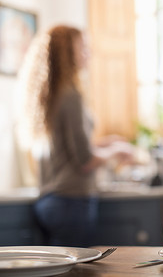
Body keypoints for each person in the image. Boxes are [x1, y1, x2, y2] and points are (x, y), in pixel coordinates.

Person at [16, 25, 135, 247]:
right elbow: (85, 161)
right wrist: (118, 151)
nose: (88, 54)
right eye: (83, 48)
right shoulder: (71, 95)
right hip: (70, 202)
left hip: (48, 202)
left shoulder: (49, 96)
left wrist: (107, 142)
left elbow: (66, 149)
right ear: (66, 54)